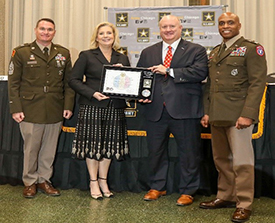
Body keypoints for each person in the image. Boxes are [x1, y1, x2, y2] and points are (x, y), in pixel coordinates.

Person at [199, 12, 267, 223]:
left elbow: (257, 83)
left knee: (242, 162)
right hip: (217, 114)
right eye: (221, 23)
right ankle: (226, 196)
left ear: (239, 25)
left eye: (230, 22)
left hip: (239, 116)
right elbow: (210, 85)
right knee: (222, 160)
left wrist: (248, 114)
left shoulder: (251, 48)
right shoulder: (216, 51)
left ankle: (244, 203)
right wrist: (207, 111)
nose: (225, 26)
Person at [137, 15, 208, 206]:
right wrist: (139, 95)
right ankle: (157, 186)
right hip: (155, 110)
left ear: (180, 28)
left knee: (189, 153)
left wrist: (169, 70)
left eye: (172, 26)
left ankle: (188, 190)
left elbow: (200, 73)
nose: (168, 30)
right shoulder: (148, 51)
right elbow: (141, 78)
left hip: (185, 110)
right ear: (159, 29)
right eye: (164, 27)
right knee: (155, 151)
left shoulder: (196, 50)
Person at [8, 18, 75, 198]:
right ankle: (30, 182)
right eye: (43, 29)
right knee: (31, 148)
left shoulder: (63, 53)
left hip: (55, 107)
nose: (46, 32)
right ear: (35, 30)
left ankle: (44, 180)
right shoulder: (21, 52)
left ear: (54, 32)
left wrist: (68, 105)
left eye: (50, 29)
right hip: (30, 108)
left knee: (49, 148)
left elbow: (69, 83)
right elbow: (13, 83)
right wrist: (16, 108)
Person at [69, 22, 130, 200]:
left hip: (115, 107)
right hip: (92, 106)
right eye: (101, 33)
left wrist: (125, 74)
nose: (105, 36)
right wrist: (92, 93)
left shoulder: (123, 58)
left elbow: (128, 84)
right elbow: (74, 80)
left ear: (114, 36)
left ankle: (103, 180)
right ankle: (93, 181)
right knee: (93, 146)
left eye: (109, 33)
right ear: (96, 37)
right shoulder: (86, 55)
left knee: (109, 145)